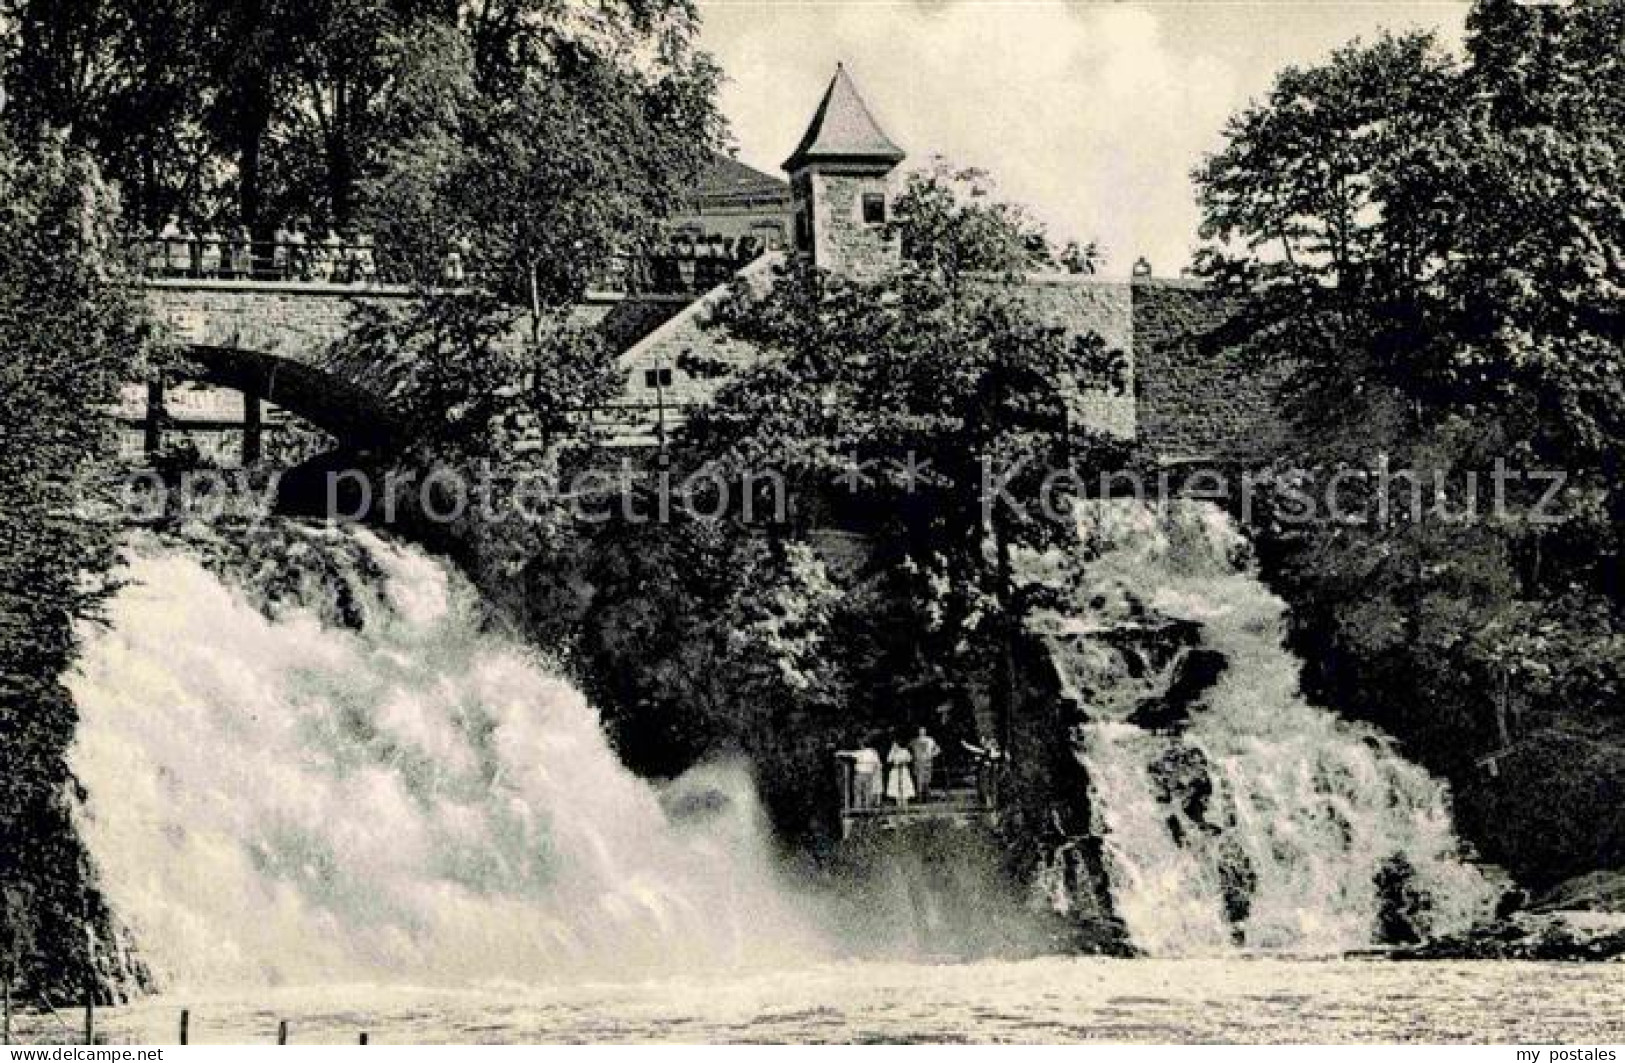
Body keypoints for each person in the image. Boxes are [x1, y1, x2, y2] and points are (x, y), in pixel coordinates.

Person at [909, 726, 942, 801]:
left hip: (928, 762)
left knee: (927, 779)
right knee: (919, 779)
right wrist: (912, 757)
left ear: (925, 731)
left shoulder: (930, 740)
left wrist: (932, 755)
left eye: (923, 731)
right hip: (918, 762)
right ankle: (919, 797)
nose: (922, 732)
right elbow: (908, 750)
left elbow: (938, 749)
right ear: (918, 732)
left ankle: (927, 796)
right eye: (920, 731)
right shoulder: (914, 741)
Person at [885, 738, 915, 808]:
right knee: (895, 786)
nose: (894, 746)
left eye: (895, 744)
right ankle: (898, 803)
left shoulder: (904, 751)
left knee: (905, 785)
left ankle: (905, 803)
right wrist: (892, 752)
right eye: (893, 745)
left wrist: (903, 761)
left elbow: (910, 759)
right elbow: (888, 760)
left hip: (903, 769)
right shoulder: (892, 752)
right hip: (895, 770)